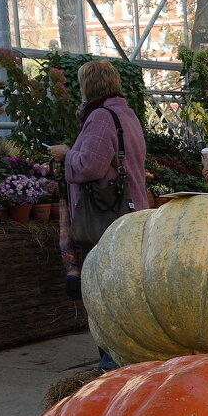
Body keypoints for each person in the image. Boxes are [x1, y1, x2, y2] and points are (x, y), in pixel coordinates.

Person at [48, 60, 149, 371]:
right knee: (125, 286)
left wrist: (66, 154)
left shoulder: (102, 117)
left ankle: (111, 360)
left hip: (107, 217)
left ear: (87, 86)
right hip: (129, 211)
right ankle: (129, 354)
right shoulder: (126, 113)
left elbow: (90, 165)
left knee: (103, 289)